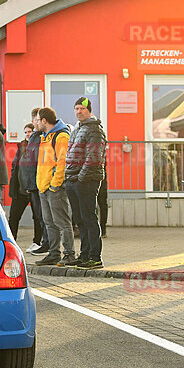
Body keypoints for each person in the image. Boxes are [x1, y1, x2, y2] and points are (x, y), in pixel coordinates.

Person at [64, 97, 107, 268]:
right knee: (80, 220)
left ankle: (95, 257)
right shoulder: (77, 129)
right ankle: (84, 255)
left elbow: (93, 158)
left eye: (82, 108)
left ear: (89, 110)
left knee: (89, 218)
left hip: (86, 180)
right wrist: (69, 177)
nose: (79, 111)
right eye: (76, 108)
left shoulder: (95, 130)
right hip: (73, 179)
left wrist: (81, 178)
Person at [35, 107, 75, 266]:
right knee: (49, 223)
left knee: (62, 222)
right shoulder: (45, 136)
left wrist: (54, 185)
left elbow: (62, 163)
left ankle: (69, 254)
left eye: (37, 120)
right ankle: (53, 253)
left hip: (54, 188)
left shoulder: (61, 136)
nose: (36, 123)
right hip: (44, 187)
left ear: (44, 120)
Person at [8, 123, 44, 245]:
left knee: (38, 217)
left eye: (30, 131)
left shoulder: (38, 146)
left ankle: (37, 242)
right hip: (20, 189)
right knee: (13, 217)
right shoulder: (22, 146)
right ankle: (11, 241)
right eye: (26, 132)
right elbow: (15, 166)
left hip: (34, 188)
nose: (28, 134)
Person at [25, 108, 49, 256]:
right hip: (33, 183)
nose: (36, 122)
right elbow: (30, 162)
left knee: (44, 216)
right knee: (39, 216)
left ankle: (47, 244)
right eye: (35, 119)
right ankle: (43, 243)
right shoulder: (35, 136)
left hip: (40, 182)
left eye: (37, 120)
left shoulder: (42, 137)